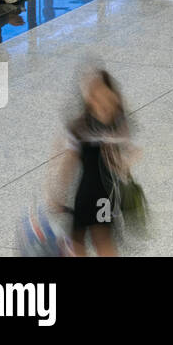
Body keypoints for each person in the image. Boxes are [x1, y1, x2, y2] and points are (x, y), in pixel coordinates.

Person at [53, 69, 137, 256]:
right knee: (80, 241)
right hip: (87, 194)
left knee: (100, 240)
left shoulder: (112, 124)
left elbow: (125, 156)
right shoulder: (83, 126)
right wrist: (59, 192)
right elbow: (69, 162)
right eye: (91, 92)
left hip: (101, 194)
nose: (93, 95)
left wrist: (125, 163)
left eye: (98, 90)